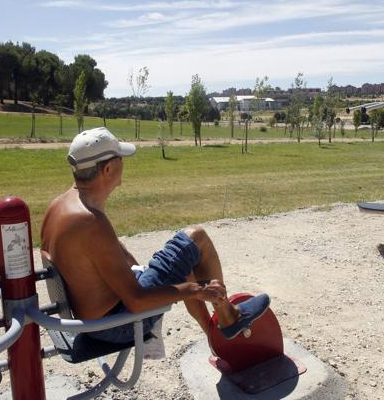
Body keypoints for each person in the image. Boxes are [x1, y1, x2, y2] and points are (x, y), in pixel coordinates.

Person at [41, 127, 269, 343]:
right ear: (107, 169)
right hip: (116, 324)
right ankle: (229, 316)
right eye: (120, 158)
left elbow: (108, 251)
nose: (124, 163)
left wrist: (142, 269)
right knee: (197, 238)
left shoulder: (60, 206)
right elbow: (137, 301)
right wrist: (197, 290)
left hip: (97, 317)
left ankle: (213, 336)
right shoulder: (90, 221)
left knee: (183, 261)